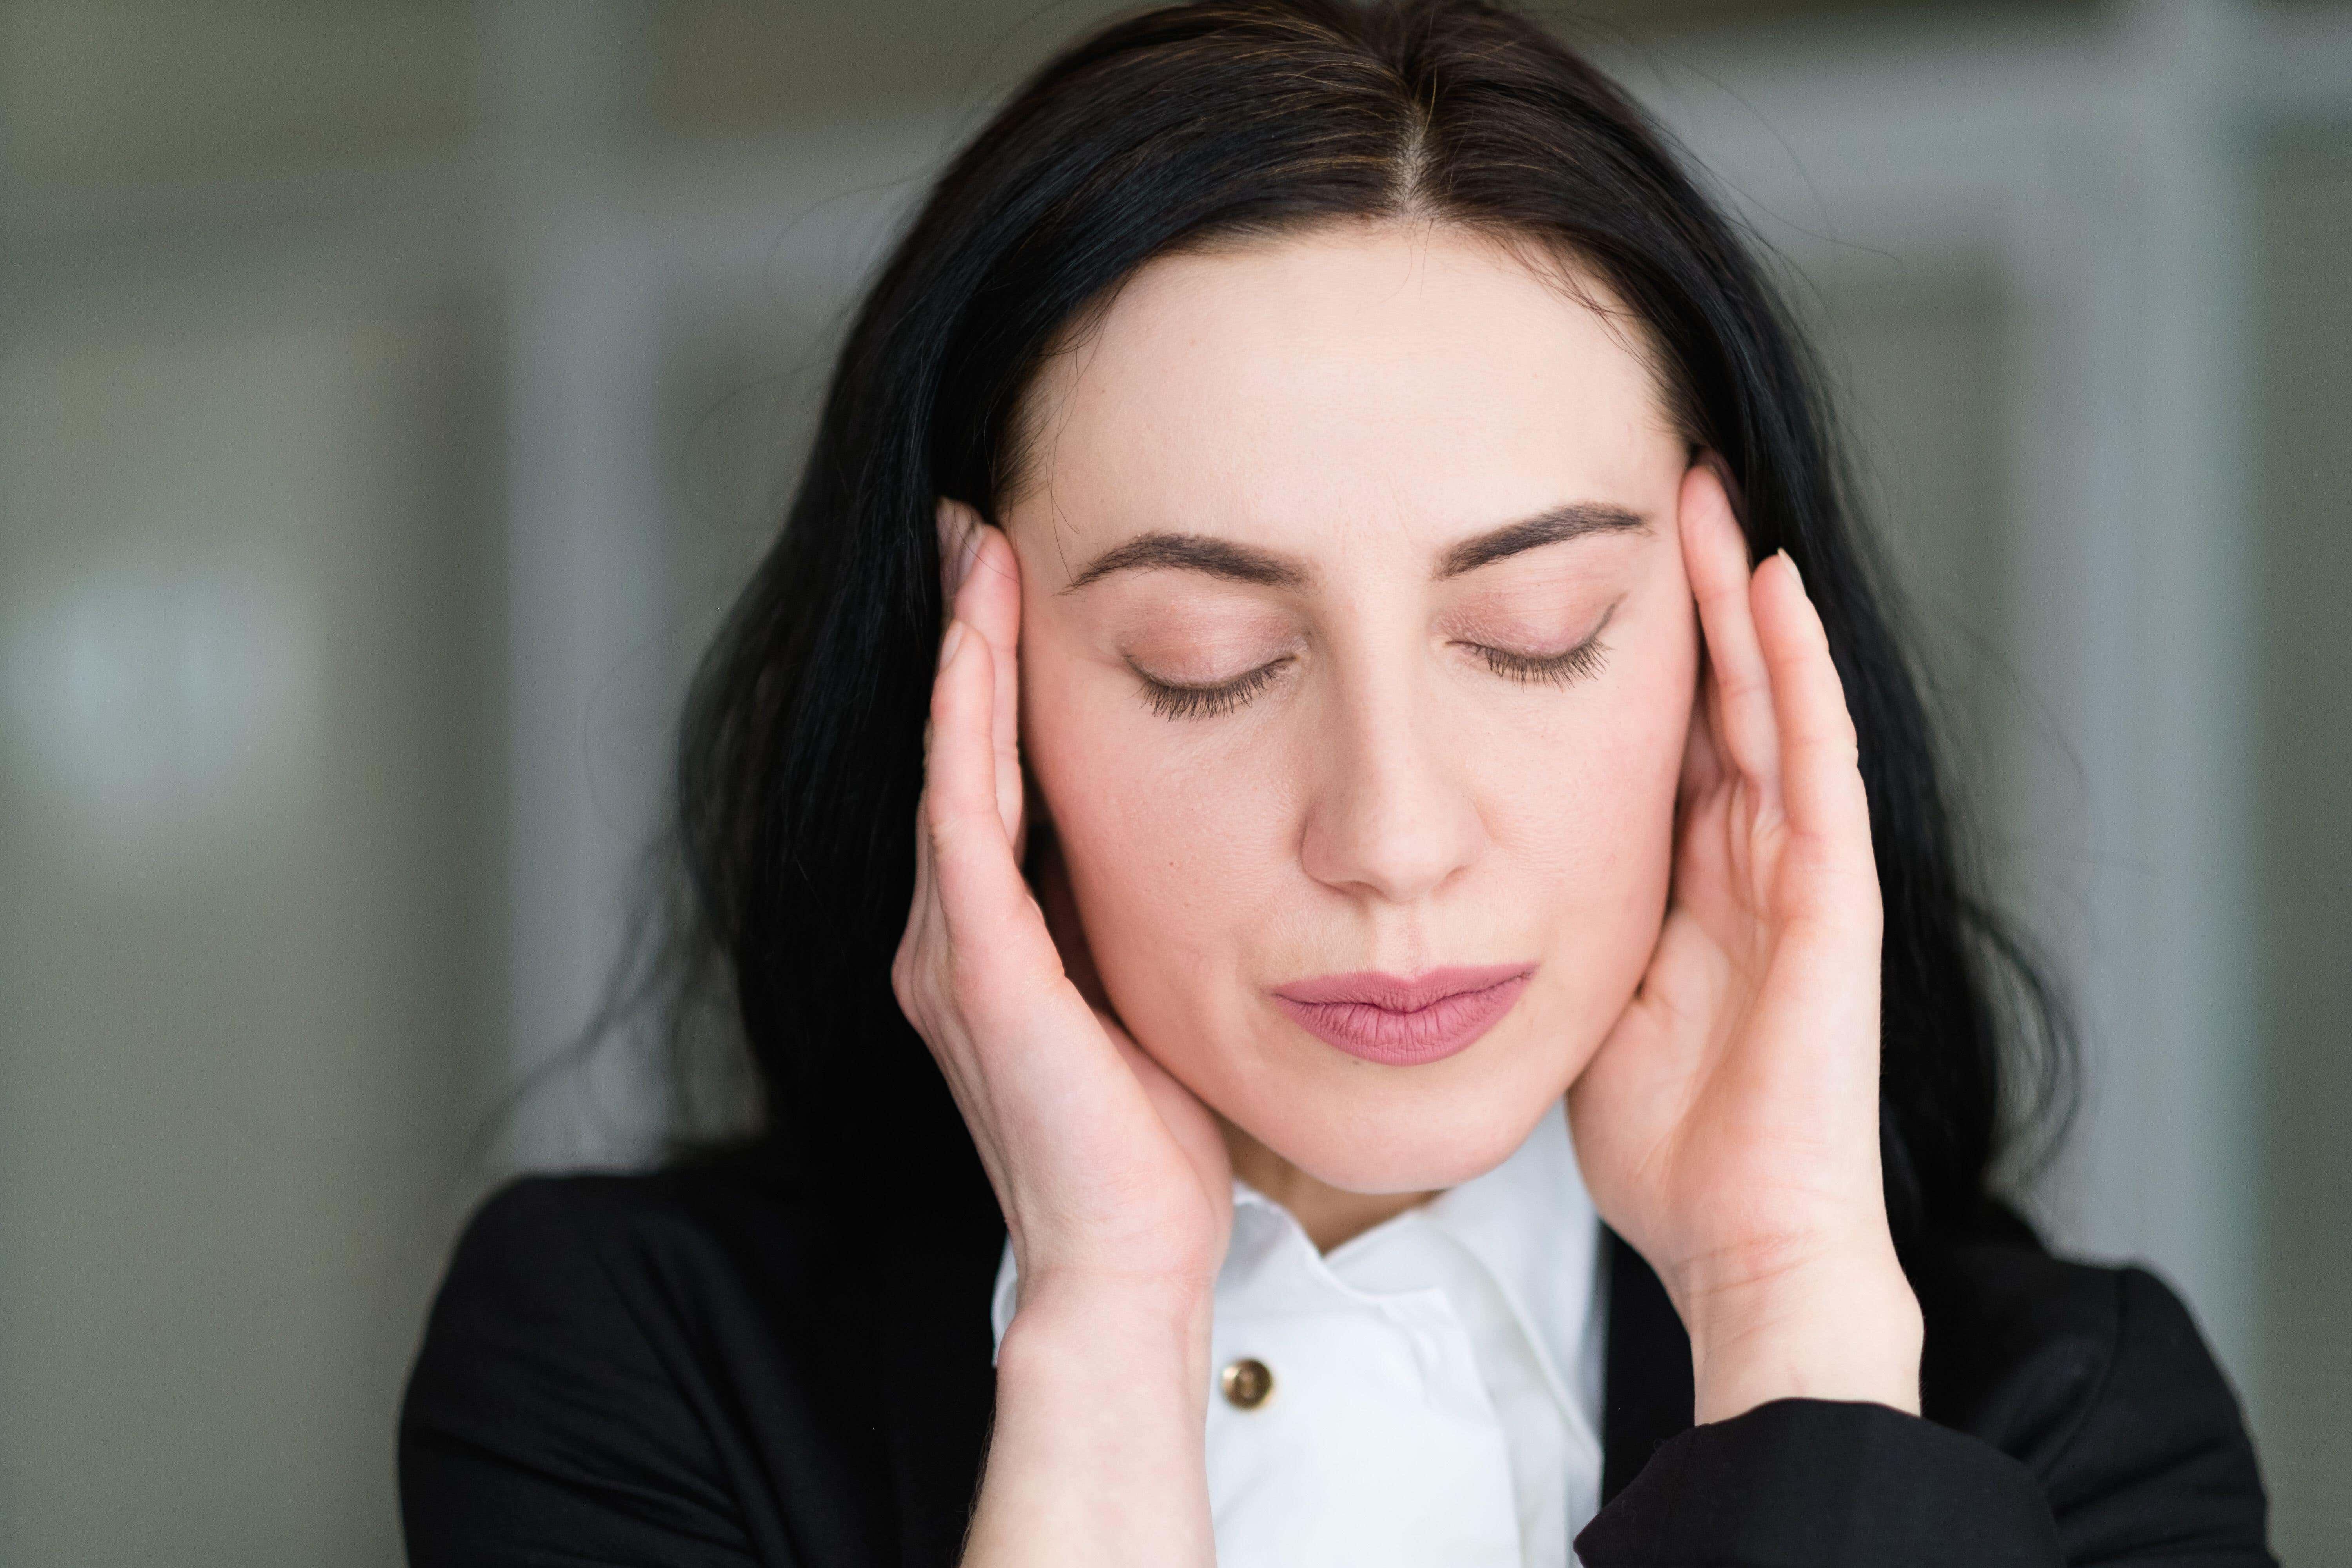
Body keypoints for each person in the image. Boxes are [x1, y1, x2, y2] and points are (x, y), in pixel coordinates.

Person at [397, 1, 2274, 1563]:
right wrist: (1105, 1345)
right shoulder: (630, 1362)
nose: (1391, 836)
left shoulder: (2070, 1425)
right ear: (978, 695)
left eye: (1536, 631)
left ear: (1727, 670)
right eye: (1205, 665)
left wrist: (1784, 1315)